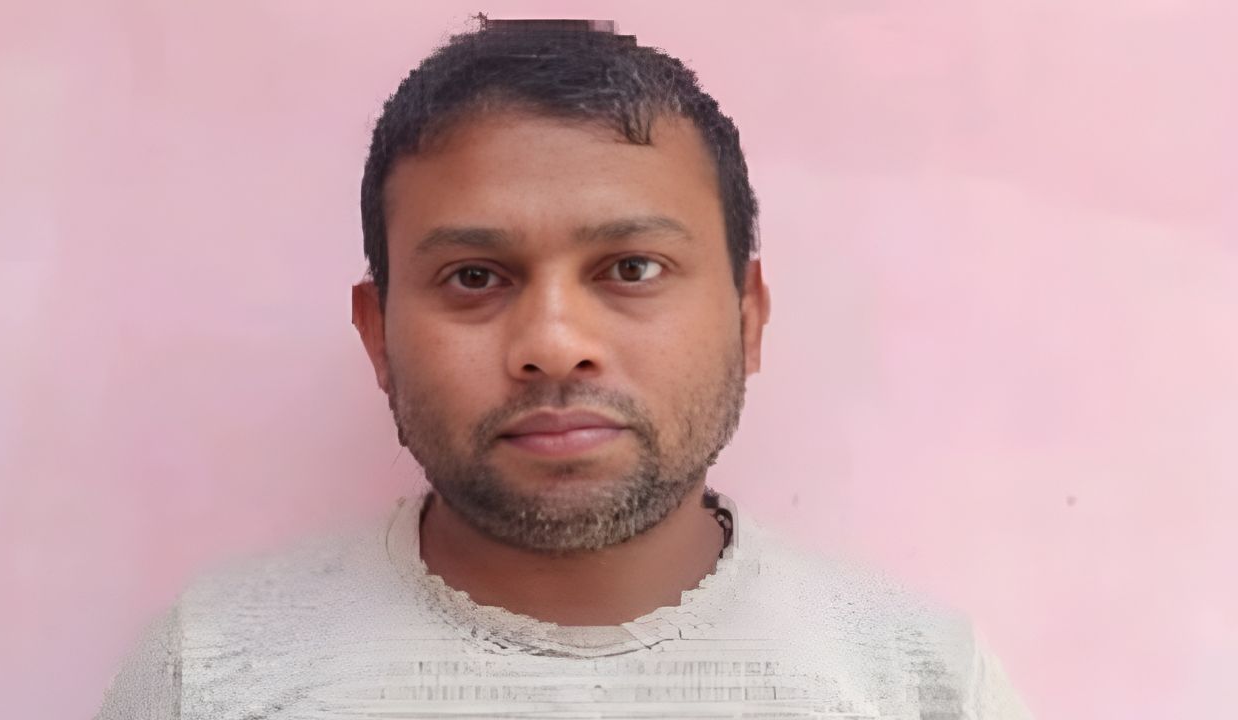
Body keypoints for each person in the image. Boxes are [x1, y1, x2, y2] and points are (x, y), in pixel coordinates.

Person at [96, 18, 1032, 719]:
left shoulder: (917, 683)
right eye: (474, 277)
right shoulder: (212, 673)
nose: (552, 342)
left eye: (631, 269)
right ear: (378, 336)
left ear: (748, 315)